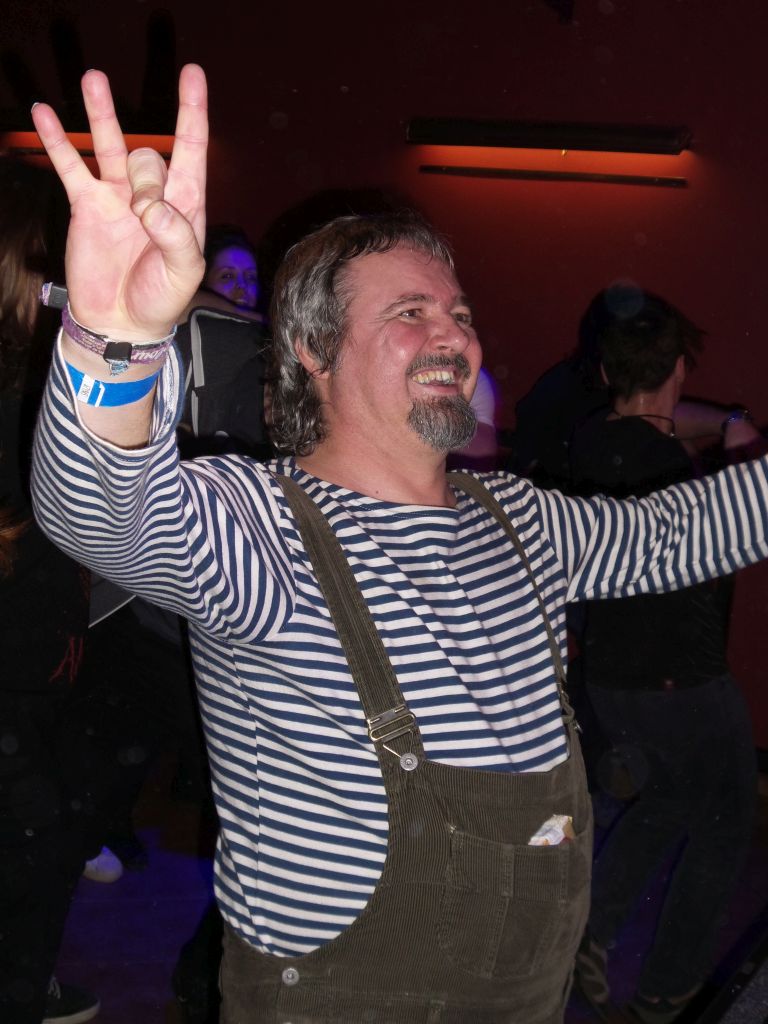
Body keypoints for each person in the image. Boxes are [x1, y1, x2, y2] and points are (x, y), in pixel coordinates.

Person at [29, 66, 768, 1023]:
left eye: (459, 314)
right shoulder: (264, 527)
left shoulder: (521, 519)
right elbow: (95, 510)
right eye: (409, 313)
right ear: (312, 350)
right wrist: (114, 339)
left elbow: (686, 531)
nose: (451, 334)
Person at [569, 295, 763, 1024]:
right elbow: (737, 521)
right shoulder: (676, 474)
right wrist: (738, 442)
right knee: (726, 822)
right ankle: (667, 992)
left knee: (670, 800)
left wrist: (722, 423)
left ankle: (591, 934)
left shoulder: (591, 441)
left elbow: (656, 424)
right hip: (682, 680)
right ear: (679, 368)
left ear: (606, 372)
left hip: (611, 678)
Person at [0, 157, 99, 1024]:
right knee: (44, 827)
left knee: (49, 821)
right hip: (18, 659)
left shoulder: (33, 367)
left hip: (34, 650)